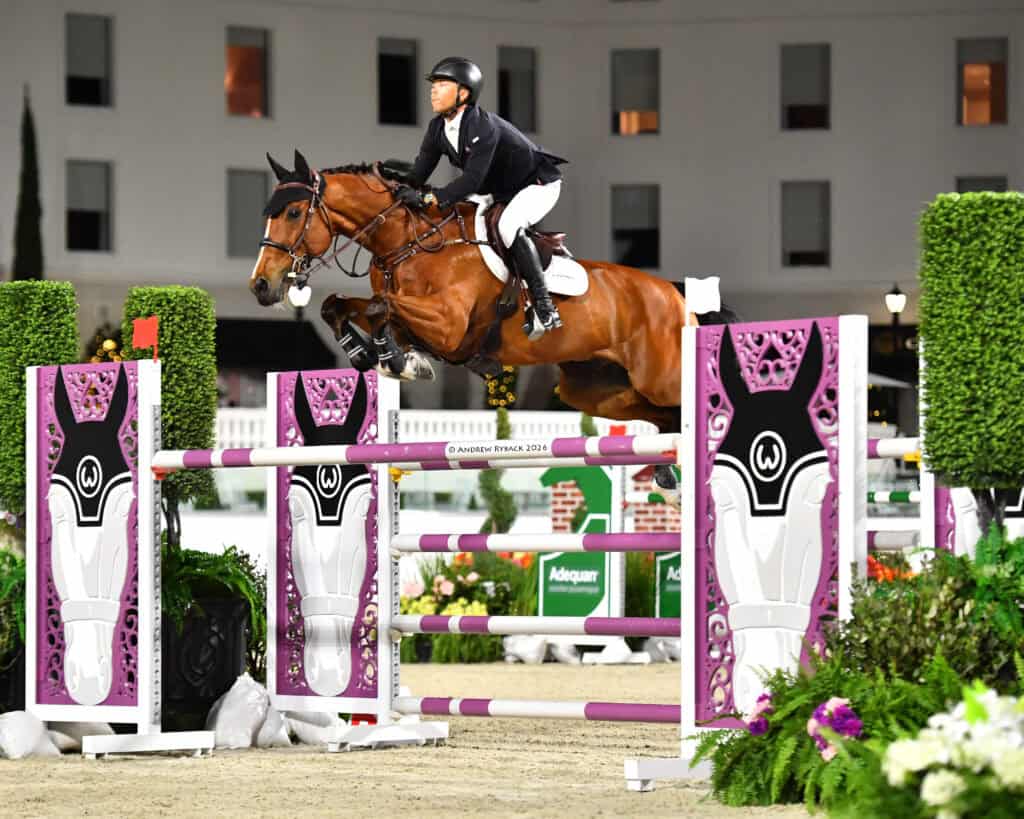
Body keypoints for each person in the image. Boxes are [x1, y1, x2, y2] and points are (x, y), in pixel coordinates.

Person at [397, 56, 568, 339]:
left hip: (537, 184)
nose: (433, 90)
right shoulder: (437, 128)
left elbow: (471, 181)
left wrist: (430, 199)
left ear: (463, 93)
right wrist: (397, 190)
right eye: (433, 85)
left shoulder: (482, 127)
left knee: (509, 225)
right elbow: (419, 172)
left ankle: (544, 307)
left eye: (441, 84)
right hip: (500, 190)